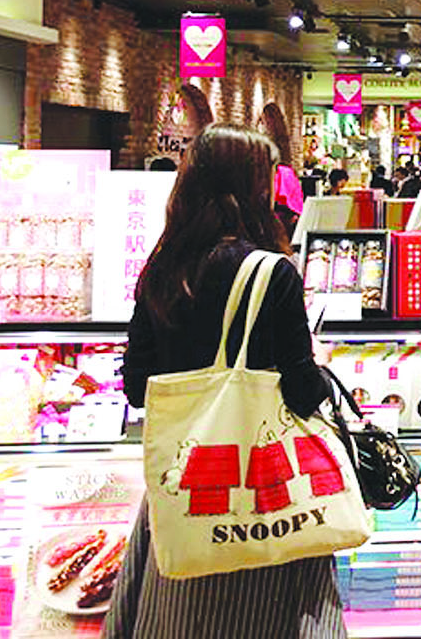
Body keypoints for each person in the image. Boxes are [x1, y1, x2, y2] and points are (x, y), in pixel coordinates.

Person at [105, 124, 340, 639]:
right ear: (254, 187)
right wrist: (320, 369)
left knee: (179, 617)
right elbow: (302, 393)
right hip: (262, 492)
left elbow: (137, 385)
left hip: (184, 487)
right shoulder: (272, 272)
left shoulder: (163, 269)